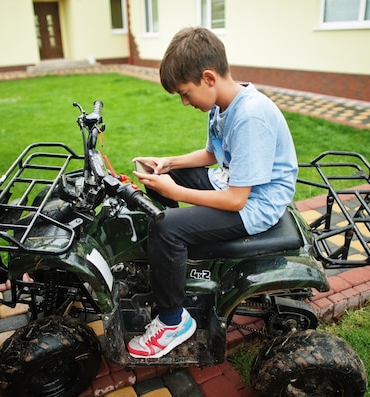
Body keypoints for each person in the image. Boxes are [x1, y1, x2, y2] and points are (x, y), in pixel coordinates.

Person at [127, 27, 298, 358]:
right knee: (169, 183)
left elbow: (237, 200)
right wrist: (168, 163)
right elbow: (212, 154)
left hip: (255, 208)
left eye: (185, 93)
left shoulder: (250, 116)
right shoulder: (222, 105)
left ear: (208, 77)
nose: (184, 101)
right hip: (232, 187)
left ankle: (173, 322)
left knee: (165, 226)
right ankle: (179, 255)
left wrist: (174, 190)